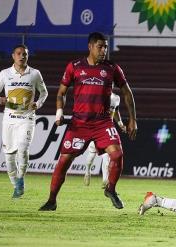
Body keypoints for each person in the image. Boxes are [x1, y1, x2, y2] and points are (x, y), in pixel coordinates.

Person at [39, 32, 137, 211]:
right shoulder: (74, 66)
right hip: (80, 123)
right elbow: (61, 92)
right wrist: (59, 113)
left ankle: (111, 189)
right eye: (100, 46)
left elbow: (127, 92)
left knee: (117, 154)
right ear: (90, 46)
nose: (104, 50)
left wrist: (133, 119)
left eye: (106, 47)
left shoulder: (112, 68)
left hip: (103, 122)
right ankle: (52, 200)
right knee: (64, 160)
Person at [0, 44, 48, 198]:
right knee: (9, 155)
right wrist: (0, 99)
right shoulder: (5, 74)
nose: (22, 56)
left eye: (25, 54)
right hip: (9, 118)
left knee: (23, 149)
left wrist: (37, 103)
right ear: (13, 56)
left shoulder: (35, 74)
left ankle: (21, 179)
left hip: (27, 118)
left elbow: (44, 93)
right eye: (19, 53)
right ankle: (15, 184)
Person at [84, 92, 126, 187]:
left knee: (106, 156)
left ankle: (105, 180)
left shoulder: (116, 98)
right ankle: (87, 171)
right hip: (96, 128)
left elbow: (116, 111)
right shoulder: (97, 95)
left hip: (107, 130)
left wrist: (120, 124)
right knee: (91, 156)